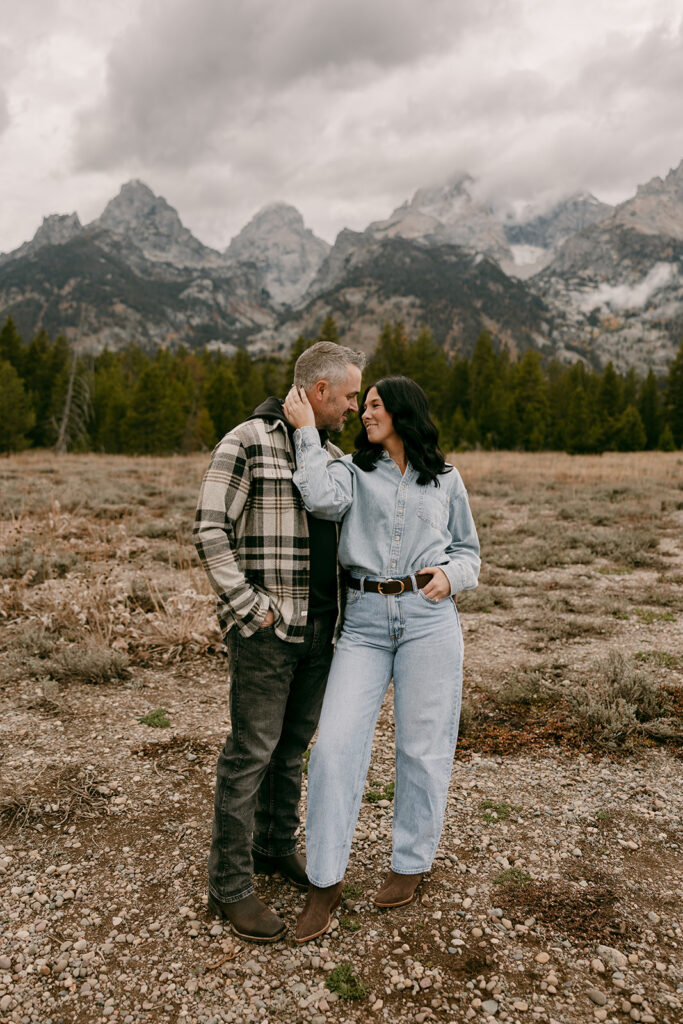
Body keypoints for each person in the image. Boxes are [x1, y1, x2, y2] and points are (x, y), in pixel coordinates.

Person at [283, 375, 480, 943]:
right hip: (365, 623)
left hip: (428, 620)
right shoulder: (350, 471)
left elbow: (469, 553)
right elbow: (318, 497)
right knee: (335, 748)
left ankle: (410, 863)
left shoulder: (444, 479)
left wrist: (449, 575)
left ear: (402, 411)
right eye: (362, 404)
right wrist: (304, 436)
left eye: (373, 405)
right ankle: (324, 882)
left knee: (423, 747)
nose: (364, 412)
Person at [193, 341, 365, 943]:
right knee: (251, 754)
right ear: (319, 392)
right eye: (346, 396)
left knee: (291, 748)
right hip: (268, 632)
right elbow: (209, 528)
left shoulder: (326, 451)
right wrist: (250, 609)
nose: (352, 408)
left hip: (321, 630)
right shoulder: (246, 440)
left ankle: (272, 846)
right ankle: (230, 884)